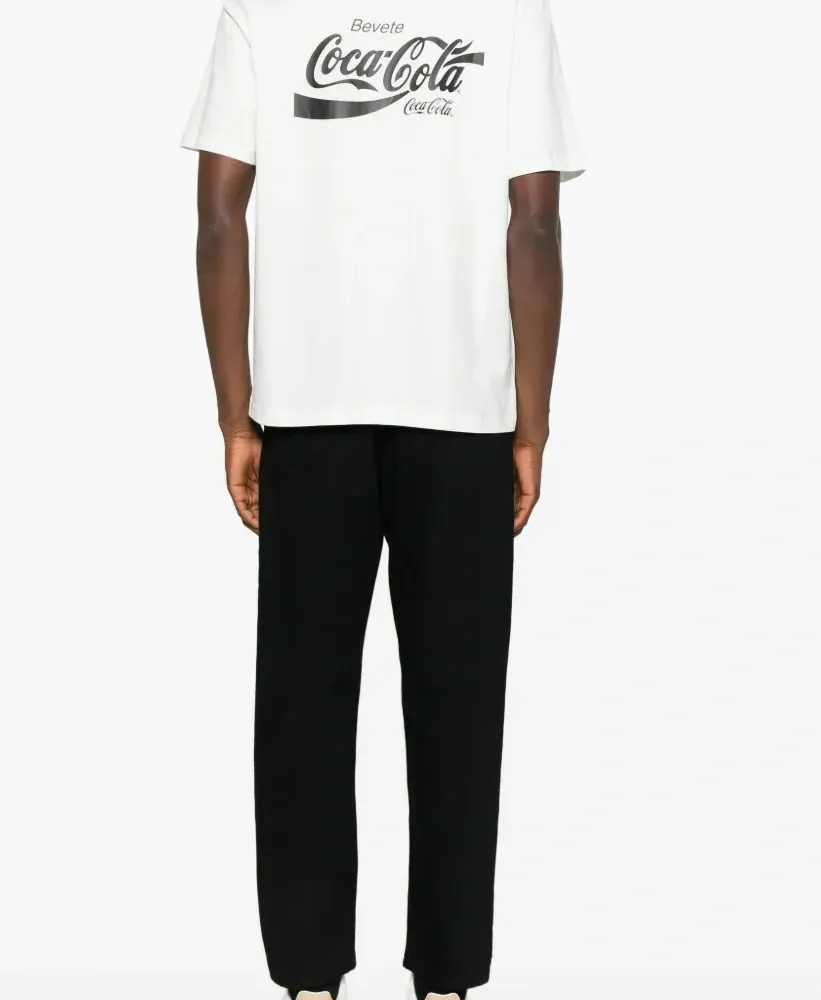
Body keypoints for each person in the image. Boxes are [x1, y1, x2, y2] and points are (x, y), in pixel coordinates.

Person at [181, 0, 583, 996]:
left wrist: (237, 412)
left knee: (302, 704)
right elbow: (535, 222)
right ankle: (446, 978)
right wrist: (530, 419)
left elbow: (219, 216)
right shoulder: (511, 15)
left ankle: (309, 978)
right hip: (464, 413)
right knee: (459, 705)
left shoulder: (262, 11)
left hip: (306, 407)